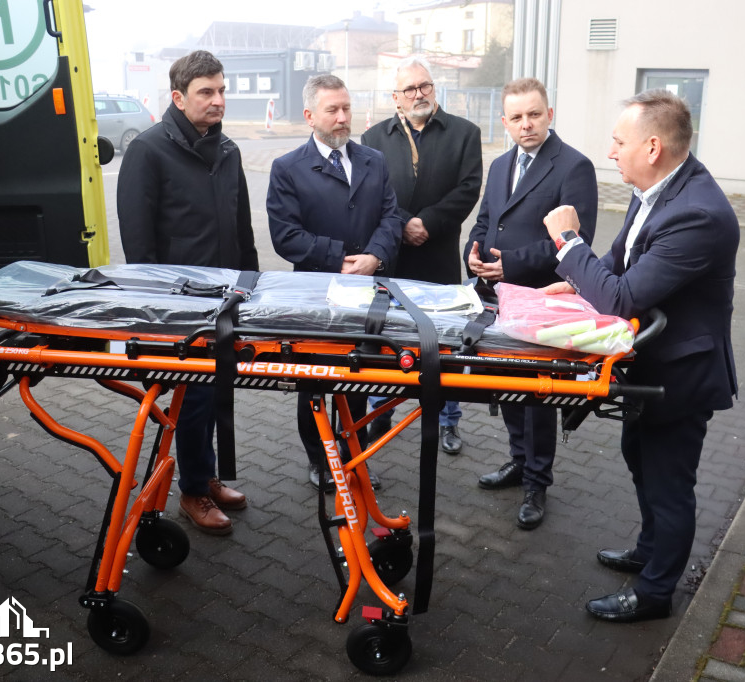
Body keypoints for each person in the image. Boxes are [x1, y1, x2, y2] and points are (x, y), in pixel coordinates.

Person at [543, 89, 739, 623]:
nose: (611, 151)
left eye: (618, 141)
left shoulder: (700, 214)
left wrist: (567, 245)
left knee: (669, 485)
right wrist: (579, 283)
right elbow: (621, 260)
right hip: (647, 369)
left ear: (652, 147)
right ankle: (649, 551)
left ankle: (655, 594)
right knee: (639, 462)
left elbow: (625, 297)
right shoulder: (654, 189)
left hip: (679, 377)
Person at [117, 50, 256, 535]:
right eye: (206, 92)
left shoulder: (228, 150)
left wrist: (251, 282)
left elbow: (241, 226)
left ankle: (206, 475)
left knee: (217, 394)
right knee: (192, 401)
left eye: (221, 90)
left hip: (226, 297)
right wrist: (161, 306)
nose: (218, 100)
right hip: (181, 304)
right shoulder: (149, 150)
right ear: (178, 97)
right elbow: (138, 238)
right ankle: (193, 494)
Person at [463, 78, 597, 530]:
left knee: (538, 395)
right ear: (504, 122)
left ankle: (538, 483)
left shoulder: (574, 167)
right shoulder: (501, 164)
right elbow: (485, 220)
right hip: (499, 298)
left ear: (549, 114)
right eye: (517, 117)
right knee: (507, 388)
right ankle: (519, 462)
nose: (526, 125)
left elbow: (575, 241)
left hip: (542, 301)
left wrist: (511, 264)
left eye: (534, 115)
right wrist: (473, 251)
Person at [267, 74, 402, 491]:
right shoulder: (287, 168)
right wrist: (338, 259)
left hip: (368, 293)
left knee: (361, 376)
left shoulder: (374, 161)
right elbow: (284, 235)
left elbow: (392, 217)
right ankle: (321, 461)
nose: (343, 117)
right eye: (333, 110)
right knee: (315, 382)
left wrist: (376, 255)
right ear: (310, 116)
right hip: (316, 295)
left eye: (346, 108)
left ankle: (355, 457)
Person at [360, 56, 482, 455]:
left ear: (434, 88)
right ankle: (380, 411)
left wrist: (427, 222)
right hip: (394, 259)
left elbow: (468, 189)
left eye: (424, 86)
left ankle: (448, 421)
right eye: (409, 89)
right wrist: (404, 223)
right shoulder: (374, 137)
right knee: (390, 338)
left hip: (439, 255)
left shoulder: (465, 133)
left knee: (444, 345)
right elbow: (373, 194)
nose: (418, 94)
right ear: (396, 98)